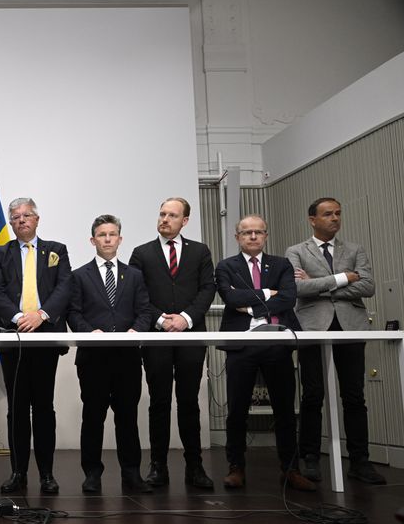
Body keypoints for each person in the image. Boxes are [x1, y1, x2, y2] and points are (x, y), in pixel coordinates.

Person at [285, 197, 386, 485]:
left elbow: (368, 286)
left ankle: (360, 461)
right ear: (312, 219)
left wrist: (322, 286)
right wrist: (343, 278)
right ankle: (311, 458)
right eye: (328, 214)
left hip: (350, 327)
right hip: (312, 327)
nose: (335, 218)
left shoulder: (355, 249)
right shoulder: (296, 251)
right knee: (313, 393)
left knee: (354, 395)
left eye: (338, 213)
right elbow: (297, 288)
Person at [215, 215, 315, 491]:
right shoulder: (226, 266)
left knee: (284, 410)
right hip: (241, 346)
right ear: (237, 237)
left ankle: (291, 469)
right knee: (237, 410)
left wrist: (252, 306)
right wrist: (267, 293)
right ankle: (236, 467)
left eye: (258, 232)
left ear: (266, 236)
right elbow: (230, 298)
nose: (253, 236)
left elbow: (288, 298)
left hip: (277, 344)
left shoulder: (282, 265)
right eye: (246, 232)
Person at [0, 197, 71, 495]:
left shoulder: (57, 250)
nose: (22, 220)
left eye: (27, 215)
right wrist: (21, 317)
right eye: (16, 216)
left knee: (44, 407)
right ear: (11, 223)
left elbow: (64, 287)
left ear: (37, 219)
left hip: (46, 338)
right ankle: (18, 472)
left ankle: (47, 474)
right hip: (13, 339)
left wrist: (41, 316)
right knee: (17, 409)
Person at [128, 197, 215, 489]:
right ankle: (158, 467)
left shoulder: (201, 252)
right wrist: (162, 321)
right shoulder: (141, 253)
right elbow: (137, 294)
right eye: (162, 213)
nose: (165, 219)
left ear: (185, 221)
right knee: (159, 402)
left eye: (172, 215)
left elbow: (207, 289)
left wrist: (186, 319)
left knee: (189, 402)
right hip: (156, 338)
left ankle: (195, 467)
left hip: (191, 335)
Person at [66, 214, 152, 495]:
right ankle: (92, 474)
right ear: (93, 240)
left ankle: (132, 474)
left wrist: (135, 332)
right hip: (93, 358)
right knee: (93, 417)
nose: (107, 239)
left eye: (112, 234)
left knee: (127, 417)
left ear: (120, 239)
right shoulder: (79, 275)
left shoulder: (135, 275)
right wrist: (89, 332)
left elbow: (145, 311)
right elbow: (73, 312)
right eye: (101, 235)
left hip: (127, 357)